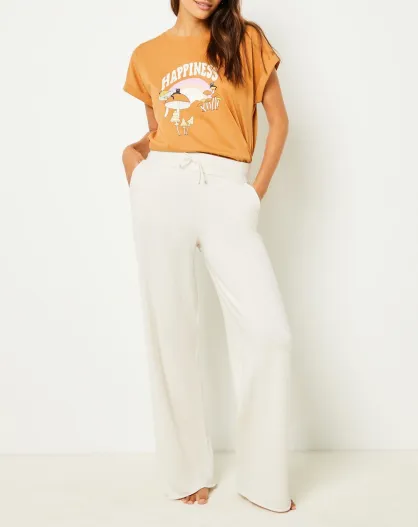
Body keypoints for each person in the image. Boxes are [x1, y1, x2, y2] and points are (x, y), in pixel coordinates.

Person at [122, 0, 296, 513]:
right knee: (171, 331)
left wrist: (254, 193)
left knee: (270, 334)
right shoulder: (147, 55)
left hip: (227, 191)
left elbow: (279, 122)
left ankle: (264, 481)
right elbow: (160, 132)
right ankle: (185, 472)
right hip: (162, 191)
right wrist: (132, 163)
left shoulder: (246, 40)